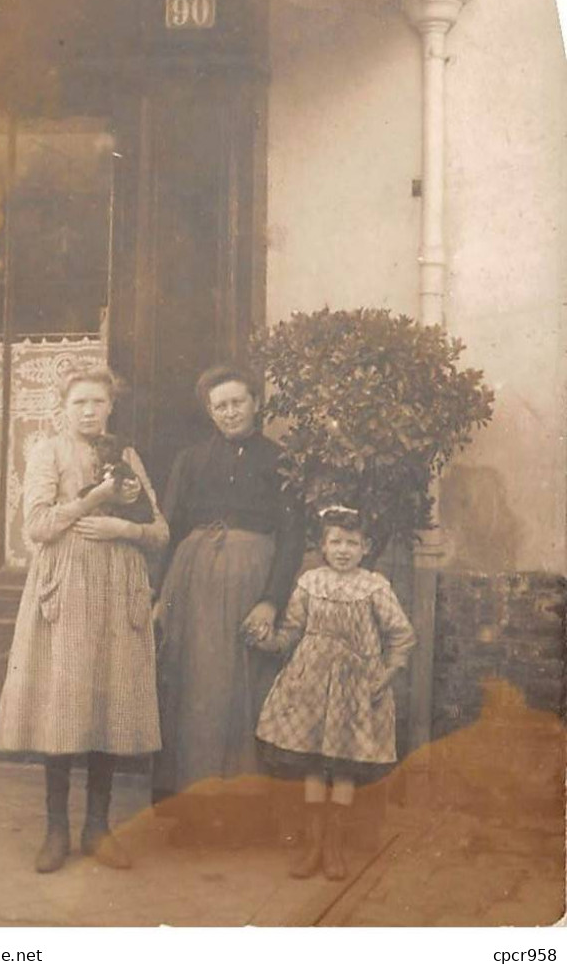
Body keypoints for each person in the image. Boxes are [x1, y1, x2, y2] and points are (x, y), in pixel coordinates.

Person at [0, 366, 168, 874]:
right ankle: (56, 829)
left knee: (108, 701)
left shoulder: (127, 456)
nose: (90, 411)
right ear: (63, 407)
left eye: (98, 402)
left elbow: (159, 531)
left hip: (118, 588)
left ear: (111, 406)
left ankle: (98, 826)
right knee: (63, 705)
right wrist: (92, 500)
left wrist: (122, 528)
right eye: (80, 403)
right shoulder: (46, 452)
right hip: (67, 587)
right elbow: (37, 526)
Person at [153, 365, 305, 837]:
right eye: (220, 406)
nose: (230, 412)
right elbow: (170, 529)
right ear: (210, 412)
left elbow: (293, 537)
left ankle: (245, 815)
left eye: (238, 402)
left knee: (246, 689)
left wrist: (270, 600)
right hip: (192, 585)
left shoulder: (281, 462)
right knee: (194, 687)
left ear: (255, 403)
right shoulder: (191, 460)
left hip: (251, 585)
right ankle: (191, 812)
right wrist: (159, 595)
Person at [254, 505, 415, 880]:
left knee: (342, 767)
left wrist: (386, 674)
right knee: (313, 763)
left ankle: (334, 847)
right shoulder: (310, 582)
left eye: (352, 543)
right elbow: (292, 629)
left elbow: (402, 636)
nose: (343, 549)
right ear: (323, 546)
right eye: (336, 541)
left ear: (365, 547)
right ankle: (313, 846)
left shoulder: (374, 586)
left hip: (354, 689)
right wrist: (268, 640)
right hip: (309, 684)